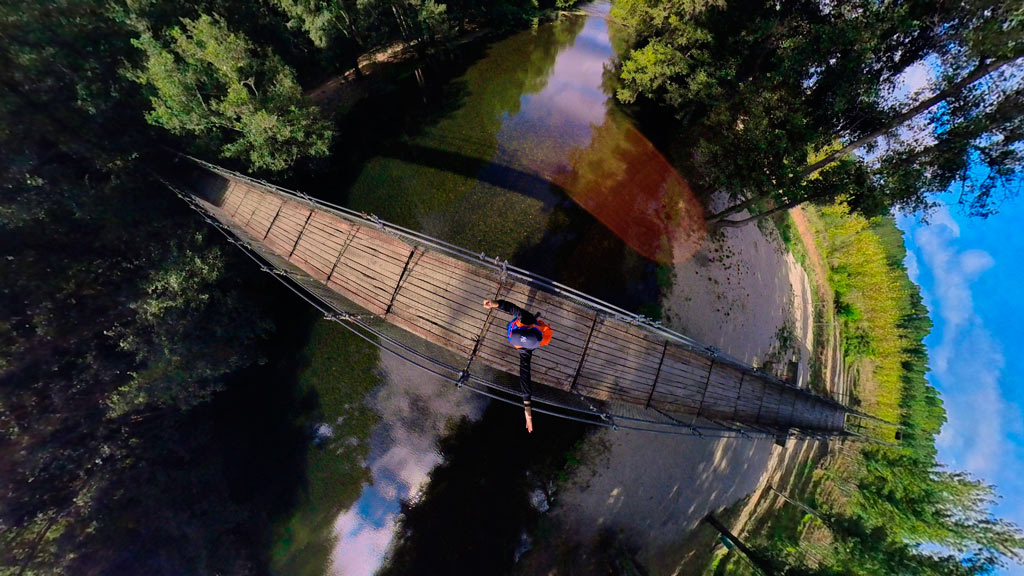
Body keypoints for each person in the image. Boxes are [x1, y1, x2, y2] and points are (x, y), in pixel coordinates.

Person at [482, 298, 553, 432]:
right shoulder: (525, 349)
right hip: (516, 332)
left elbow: (511, 308)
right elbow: (524, 377)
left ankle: (517, 323)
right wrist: (528, 413)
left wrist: (495, 304)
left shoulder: (526, 321)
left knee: (521, 314)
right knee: (532, 321)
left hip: (515, 332)